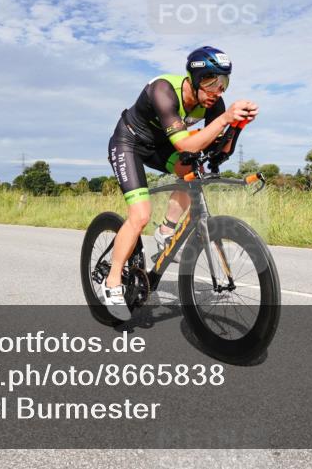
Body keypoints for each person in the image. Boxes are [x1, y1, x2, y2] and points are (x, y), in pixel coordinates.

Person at [104, 46, 258, 319]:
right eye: (212, 82)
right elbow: (185, 142)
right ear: (196, 78)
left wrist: (236, 127)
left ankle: (166, 231)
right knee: (140, 216)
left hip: (160, 146)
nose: (218, 90)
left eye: (224, 83)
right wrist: (224, 119)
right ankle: (112, 282)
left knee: (193, 170)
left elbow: (218, 152)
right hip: (128, 142)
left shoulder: (214, 104)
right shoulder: (163, 90)